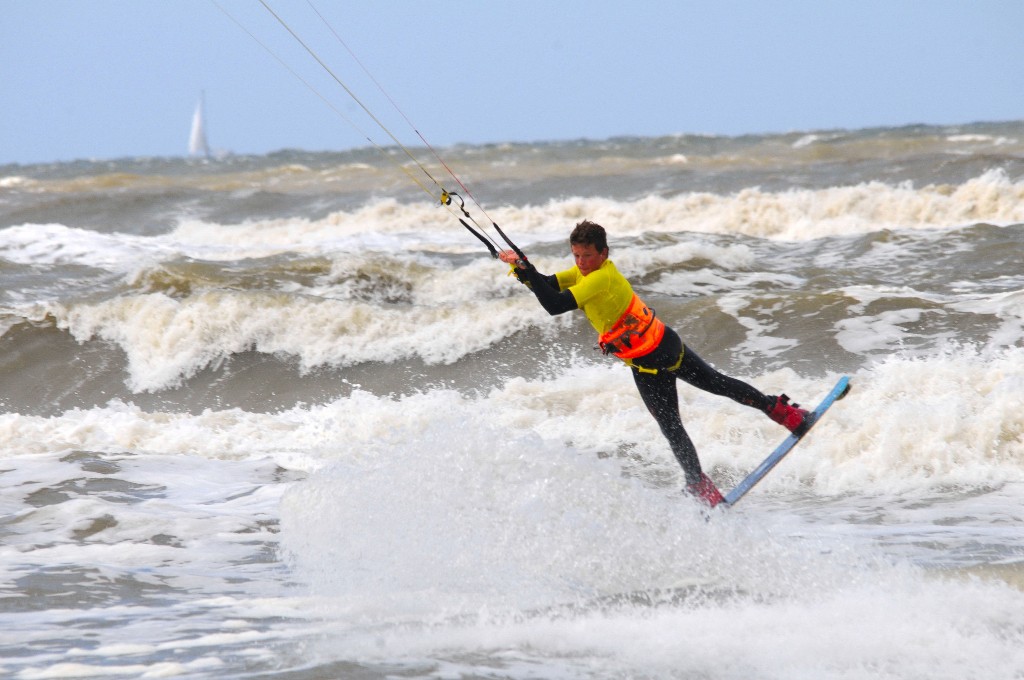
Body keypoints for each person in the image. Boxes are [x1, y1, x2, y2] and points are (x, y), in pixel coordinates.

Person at [500, 220, 810, 507]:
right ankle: (701, 486)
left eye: (587, 256)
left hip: (662, 348)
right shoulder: (584, 273)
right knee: (671, 426)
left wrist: (526, 270)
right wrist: (523, 269)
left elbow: (554, 305)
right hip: (643, 362)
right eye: (576, 256)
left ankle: (784, 413)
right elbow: (549, 284)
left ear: (603, 253)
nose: (581, 263)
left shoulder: (602, 277)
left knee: (718, 385)